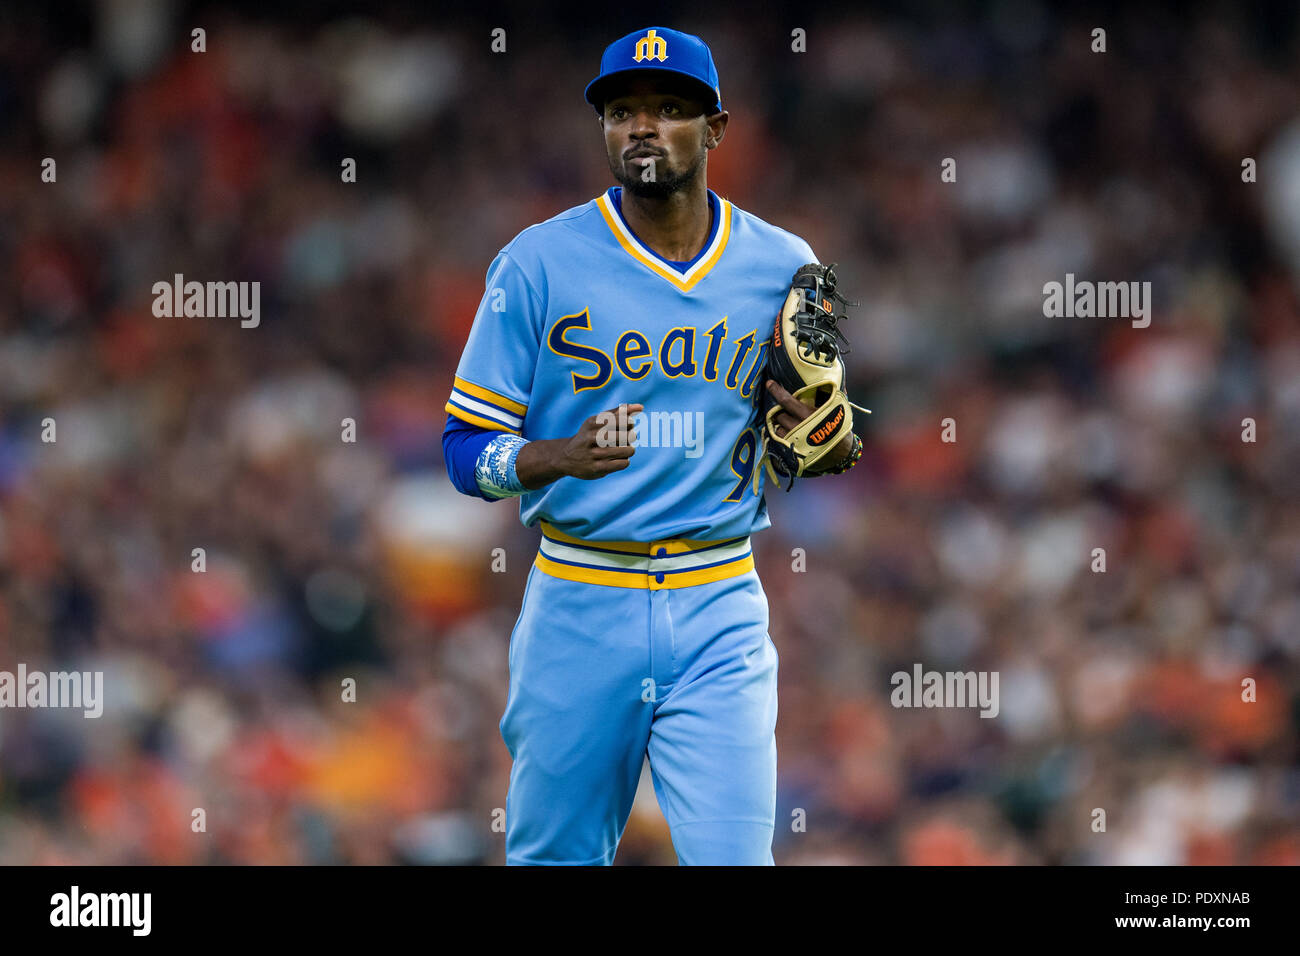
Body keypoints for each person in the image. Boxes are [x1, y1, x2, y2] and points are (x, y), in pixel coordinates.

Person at [442, 26, 861, 865]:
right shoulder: (536, 264)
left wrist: (830, 442)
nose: (642, 127)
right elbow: (463, 452)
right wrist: (554, 456)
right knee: (552, 858)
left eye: (670, 109)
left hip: (718, 599)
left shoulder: (784, 264)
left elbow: (822, 425)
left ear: (714, 130)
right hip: (578, 595)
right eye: (623, 110)